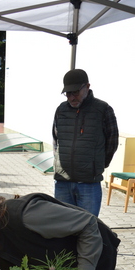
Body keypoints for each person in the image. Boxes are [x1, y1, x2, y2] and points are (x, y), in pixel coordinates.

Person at [52, 69, 119, 217]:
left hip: (89, 184)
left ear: (87, 87)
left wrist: (97, 165)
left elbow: (112, 142)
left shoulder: (103, 110)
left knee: (87, 230)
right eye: (67, 93)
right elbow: (56, 141)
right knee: (62, 228)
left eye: (75, 92)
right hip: (62, 182)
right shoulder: (61, 110)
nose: (71, 97)